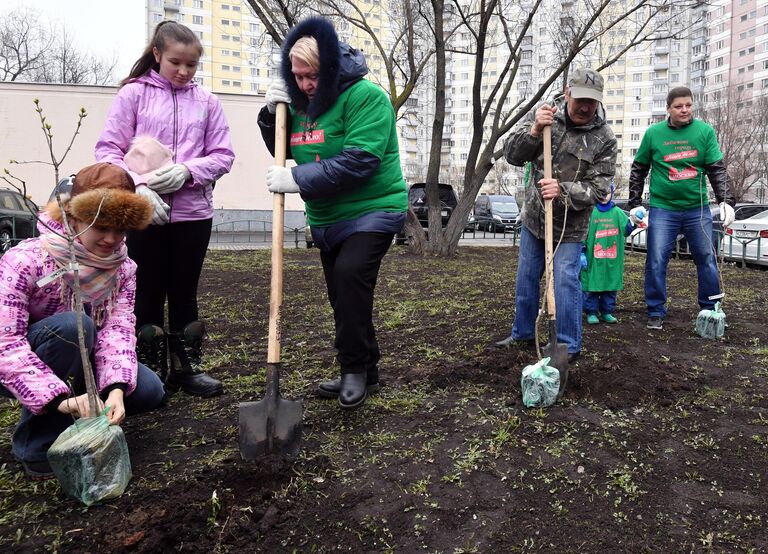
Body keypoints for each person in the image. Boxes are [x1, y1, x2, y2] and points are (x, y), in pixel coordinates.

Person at [257, 17, 407, 410]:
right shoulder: (301, 104)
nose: (305, 84)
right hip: (326, 217)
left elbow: (360, 160)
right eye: (298, 76)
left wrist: (297, 180)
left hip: (374, 207)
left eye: (313, 76)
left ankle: (353, 369)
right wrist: (271, 115)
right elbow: (284, 149)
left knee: (349, 275)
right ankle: (367, 369)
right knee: (343, 294)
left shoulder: (366, 97)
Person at [0, 162, 166, 480]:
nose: (111, 239)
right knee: (71, 327)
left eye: (120, 229)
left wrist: (116, 389)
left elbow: (117, 329)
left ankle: (83, 411)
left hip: (81, 358)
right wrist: (59, 400)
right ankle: (37, 444)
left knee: (149, 390)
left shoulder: (123, 269)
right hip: (18, 361)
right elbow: (6, 344)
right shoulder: (26, 261)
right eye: (101, 226)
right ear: (74, 217)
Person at [95, 21, 235, 397]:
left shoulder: (207, 102)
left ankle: (187, 369)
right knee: (146, 291)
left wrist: (189, 171)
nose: (183, 71)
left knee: (185, 291)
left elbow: (223, 156)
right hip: (143, 212)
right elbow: (107, 151)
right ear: (157, 54)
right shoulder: (133, 96)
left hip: (193, 215)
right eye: (176, 62)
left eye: (191, 65)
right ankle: (149, 375)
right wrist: (137, 186)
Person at [497, 67, 617, 363]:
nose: (586, 107)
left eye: (592, 101)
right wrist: (535, 130)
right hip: (536, 219)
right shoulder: (546, 117)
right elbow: (512, 155)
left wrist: (562, 189)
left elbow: (599, 190)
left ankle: (567, 345)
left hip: (571, 227)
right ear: (568, 94)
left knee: (565, 280)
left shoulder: (605, 139)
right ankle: (522, 334)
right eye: (580, 100)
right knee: (526, 279)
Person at [627, 86, 734, 330]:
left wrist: (726, 200)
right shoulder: (654, 134)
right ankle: (655, 310)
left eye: (688, 105)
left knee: (706, 257)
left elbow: (717, 168)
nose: (684, 110)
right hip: (663, 209)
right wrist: (634, 203)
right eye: (679, 106)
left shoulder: (704, 132)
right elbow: (638, 169)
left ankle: (710, 309)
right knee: (656, 259)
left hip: (697, 209)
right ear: (669, 109)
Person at [581, 183, 644, 325]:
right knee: (591, 286)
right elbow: (582, 233)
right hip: (593, 260)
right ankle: (591, 312)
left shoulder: (617, 213)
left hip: (612, 261)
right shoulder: (590, 212)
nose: (604, 195)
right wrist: (581, 252)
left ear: (612, 193)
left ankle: (606, 312)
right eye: (600, 192)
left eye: (607, 192)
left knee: (610, 286)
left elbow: (626, 230)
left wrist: (634, 221)